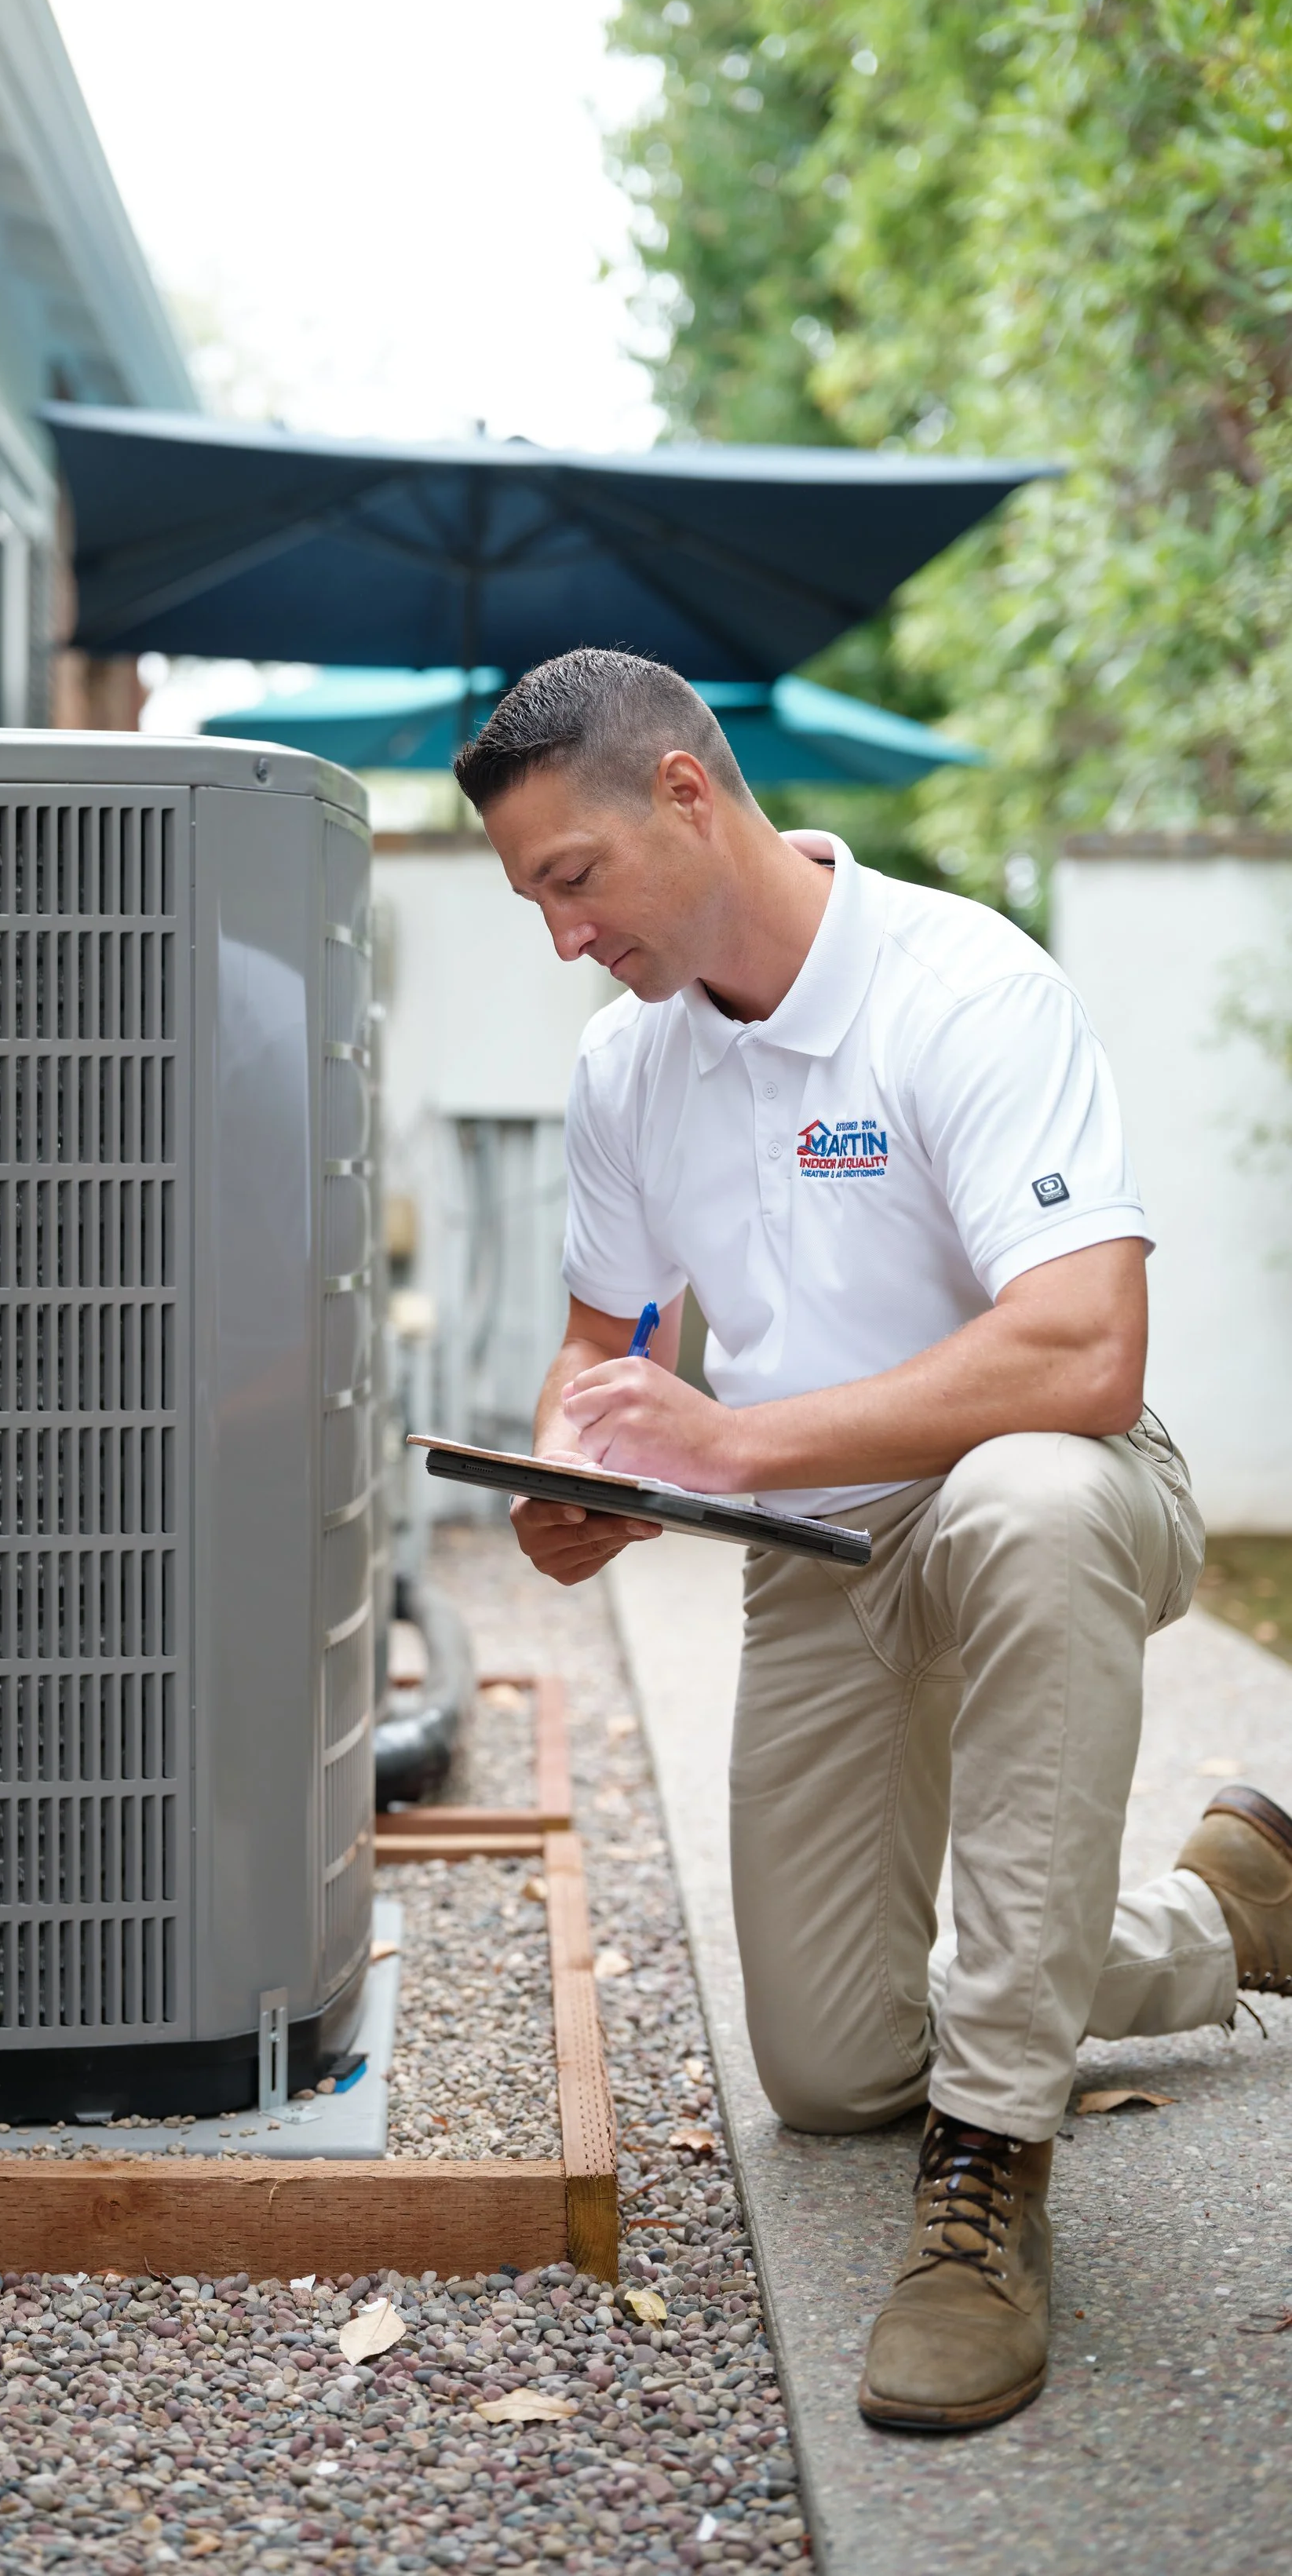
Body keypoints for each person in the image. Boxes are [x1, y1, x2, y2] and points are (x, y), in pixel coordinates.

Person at [453, 648, 1292, 2433]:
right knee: (829, 2068)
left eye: (570, 880)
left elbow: (1081, 1350)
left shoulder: (961, 985)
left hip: (1050, 1490)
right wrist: (575, 1460)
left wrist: (734, 1435)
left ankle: (984, 2187)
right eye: (531, 900)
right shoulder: (626, 1071)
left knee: (1031, 1495)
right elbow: (601, 1340)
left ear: (686, 789)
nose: (559, 938)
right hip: (817, 1561)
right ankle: (1221, 1919)